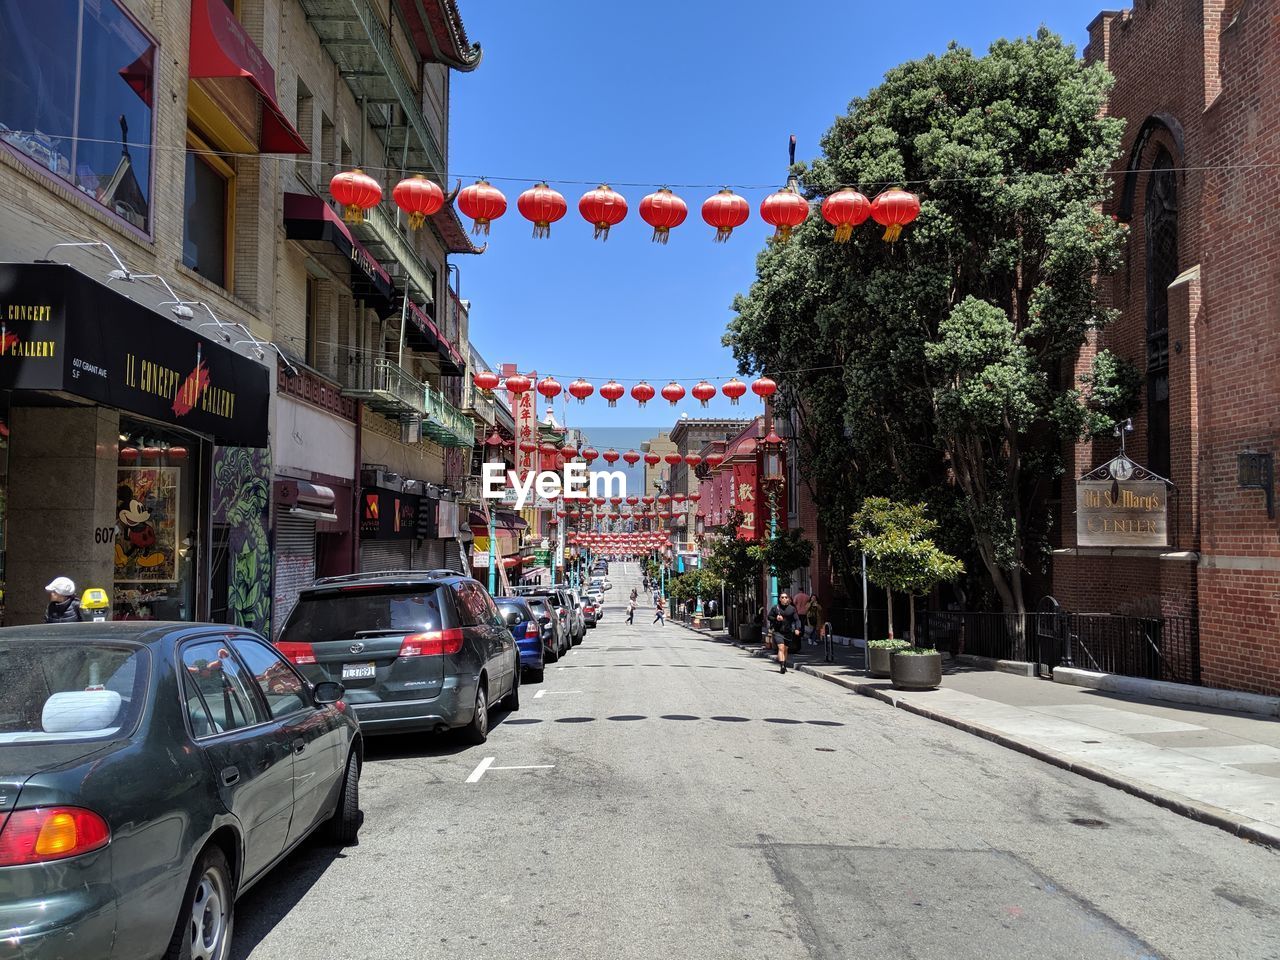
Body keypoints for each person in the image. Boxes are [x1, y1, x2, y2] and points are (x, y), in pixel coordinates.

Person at [768, 591, 802, 674]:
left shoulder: (792, 609)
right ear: (779, 599)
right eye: (782, 597)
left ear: (788, 599)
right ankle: (782, 666)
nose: (784, 599)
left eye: (785, 597)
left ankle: (784, 664)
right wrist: (776, 618)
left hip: (788, 632)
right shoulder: (775, 608)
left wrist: (798, 628)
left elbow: (797, 619)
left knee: (786, 649)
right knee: (781, 648)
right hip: (777, 631)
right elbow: (769, 617)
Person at [805, 595, 829, 662]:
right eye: (812, 598)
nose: (813, 599)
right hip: (811, 618)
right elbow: (806, 609)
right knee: (812, 629)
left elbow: (820, 609)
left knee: (816, 629)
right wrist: (811, 603)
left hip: (817, 618)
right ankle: (810, 639)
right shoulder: (808, 603)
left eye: (814, 598)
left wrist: (817, 604)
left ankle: (814, 640)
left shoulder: (817, 604)